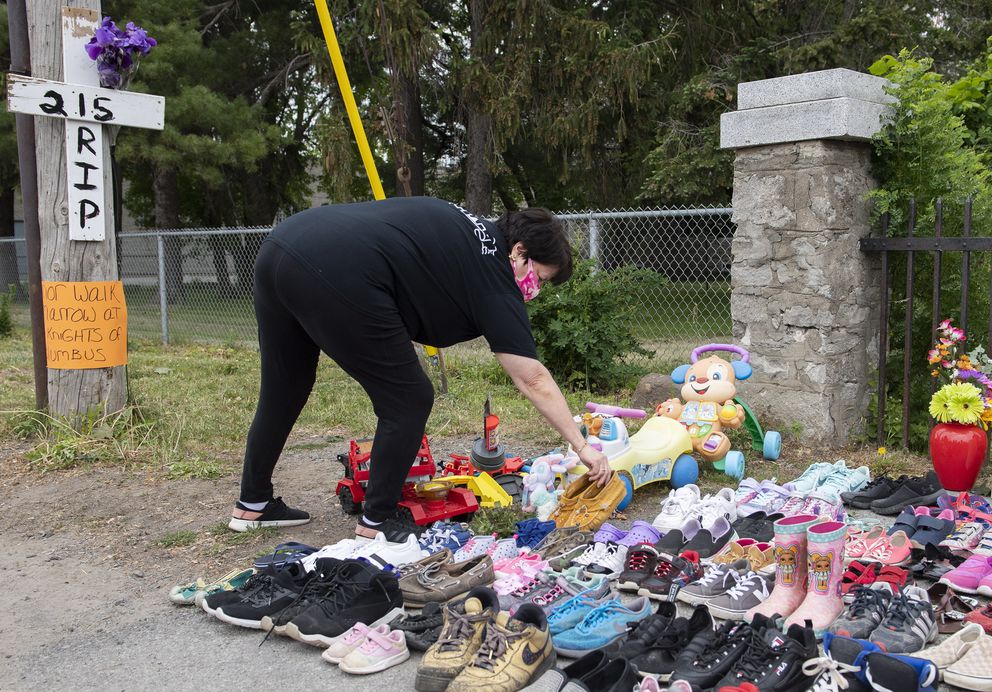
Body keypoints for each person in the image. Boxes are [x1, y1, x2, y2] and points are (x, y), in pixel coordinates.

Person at [229, 196, 611, 541]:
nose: (535, 289)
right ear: (520, 251)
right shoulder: (494, 273)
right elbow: (531, 377)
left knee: (285, 386)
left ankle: (254, 504)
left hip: (283, 244)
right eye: (540, 277)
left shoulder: (471, 230)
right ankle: (378, 519)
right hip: (339, 267)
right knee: (409, 398)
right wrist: (582, 446)